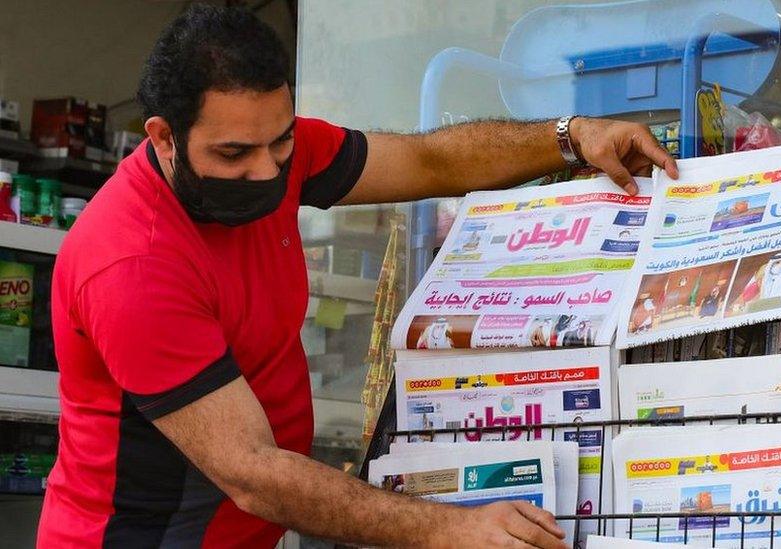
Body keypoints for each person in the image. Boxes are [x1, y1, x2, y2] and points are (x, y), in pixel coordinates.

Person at [38, 5, 678, 548]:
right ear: (164, 137)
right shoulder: (131, 266)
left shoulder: (274, 155)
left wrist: (570, 137)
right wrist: (446, 530)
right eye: (234, 154)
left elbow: (428, 160)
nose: (267, 172)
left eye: (280, 142)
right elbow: (253, 472)